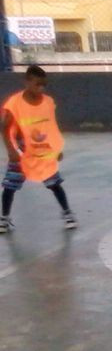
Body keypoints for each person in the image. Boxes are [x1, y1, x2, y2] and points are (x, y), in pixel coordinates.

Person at [1, 65, 77, 233]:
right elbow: (5, 128)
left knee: (54, 183)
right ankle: (4, 219)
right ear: (27, 82)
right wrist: (11, 151)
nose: (41, 88)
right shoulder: (15, 103)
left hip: (43, 150)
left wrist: (56, 148)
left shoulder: (48, 102)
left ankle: (67, 214)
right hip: (22, 151)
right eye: (37, 84)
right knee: (10, 185)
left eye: (44, 85)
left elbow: (51, 127)